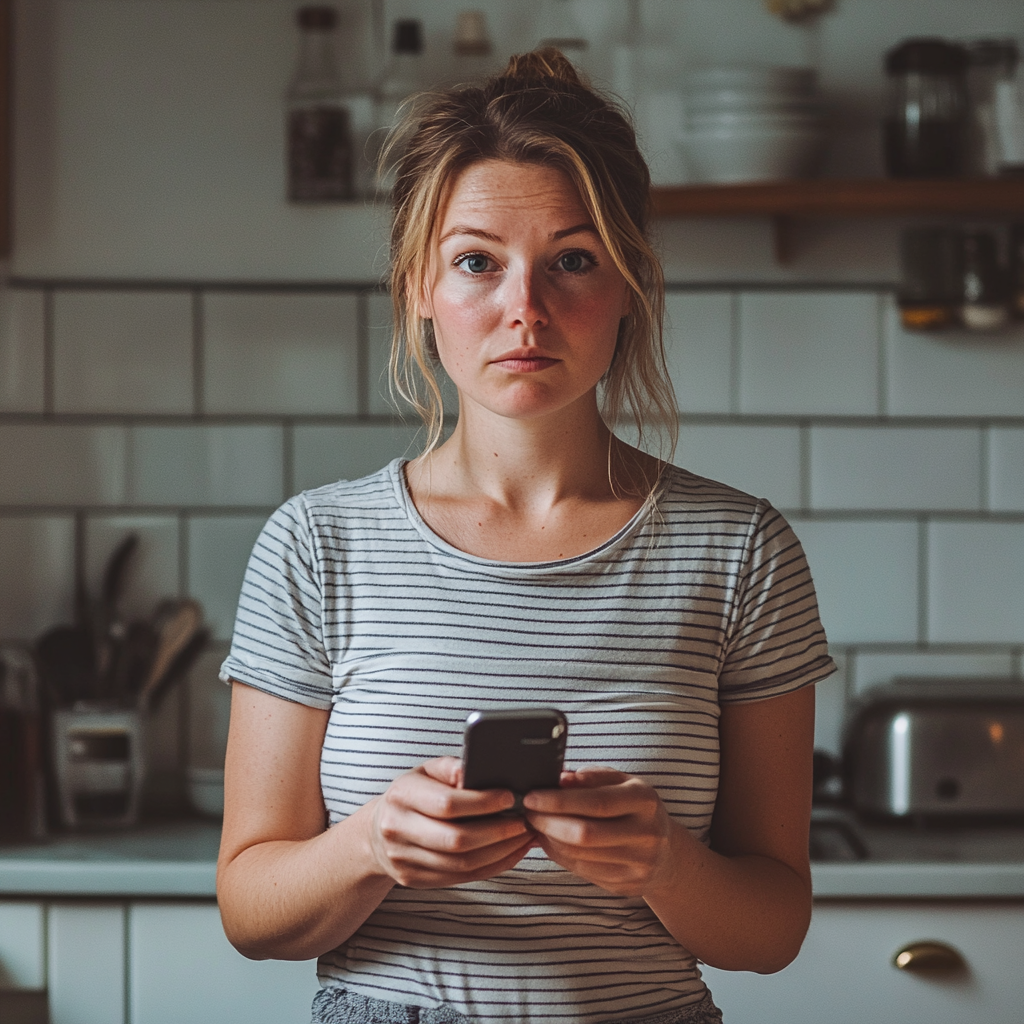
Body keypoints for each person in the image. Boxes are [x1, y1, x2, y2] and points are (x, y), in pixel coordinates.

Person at [216, 49, 836, 1024]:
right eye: (476, 262)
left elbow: (772, 928)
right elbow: (250, 908)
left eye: (573, 260)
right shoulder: (314, 544)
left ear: (627, 283)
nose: (526, 311)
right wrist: (374, 842)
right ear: (419, 286)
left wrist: (665, 862)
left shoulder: (740, 549)